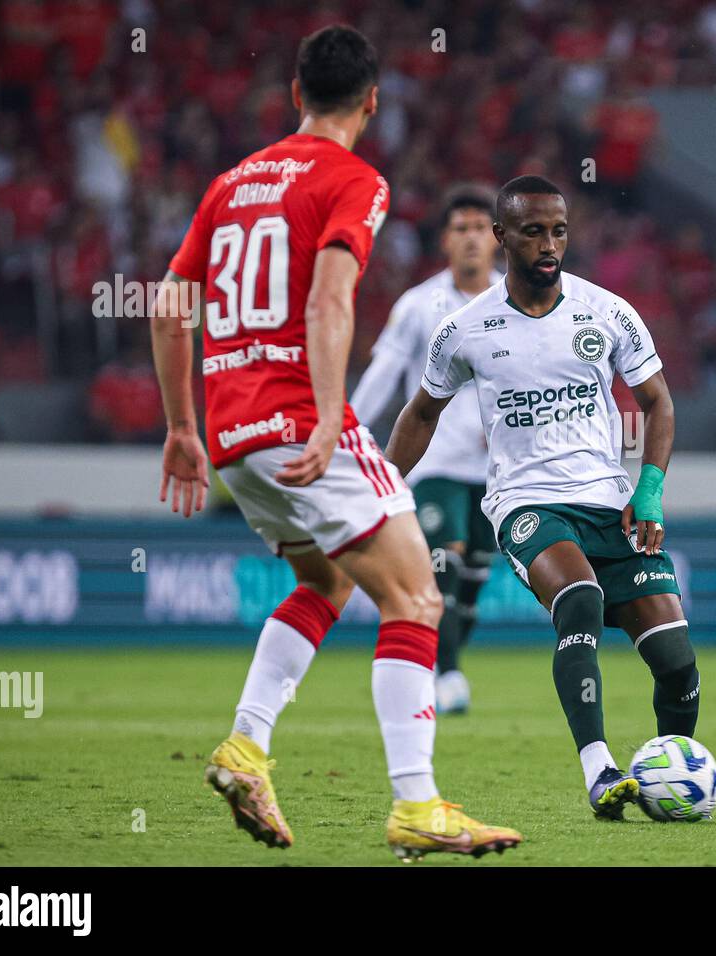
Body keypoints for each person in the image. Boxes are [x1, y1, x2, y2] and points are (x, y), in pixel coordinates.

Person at [150, 24, 520, 860]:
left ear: (293, 94)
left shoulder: (230, 184)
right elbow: (328, 302)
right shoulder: (353, 178)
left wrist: (180, 426)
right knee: (416, 596)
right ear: (373, 101)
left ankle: (245, 749)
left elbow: (172, 306)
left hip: (233, 433)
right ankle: (417, 806)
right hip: (296, 422)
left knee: (322, 581)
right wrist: (326, 417)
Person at [385, 175, 701, 820]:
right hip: (526, 504)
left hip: (609, 503)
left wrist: (649, 490)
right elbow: (420, 414)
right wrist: (383, 493)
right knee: (579, 598)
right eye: (532, 232)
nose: (549, 244)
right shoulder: (464, 331)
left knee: (677, 667)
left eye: (558, 230)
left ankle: (672, 772)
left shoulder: (607, 312)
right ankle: (599, 768)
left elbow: (658, 402)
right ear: (503, 238)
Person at [349, 185, 502, 714]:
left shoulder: (519, 302)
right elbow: (384, 373)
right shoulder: (418, 306)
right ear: (444, 240)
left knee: (476, 574)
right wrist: (345, 428)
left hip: (498, 471)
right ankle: (450, 673)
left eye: (481, 228)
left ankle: (446, 662)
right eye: (460, 229)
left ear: (497, 238)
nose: (471, 239)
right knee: (445, 561)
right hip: (432, 461)